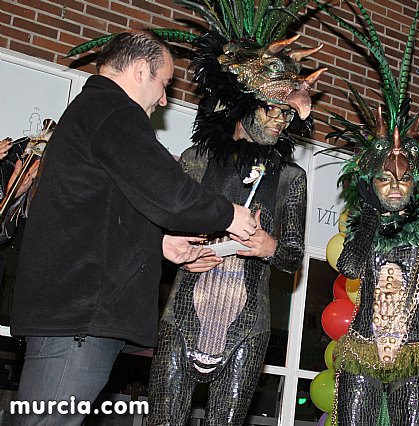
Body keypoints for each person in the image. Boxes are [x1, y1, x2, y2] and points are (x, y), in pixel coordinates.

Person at [10, 29, 257, 426]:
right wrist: (230, 214)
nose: (164, 99)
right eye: (164, 85)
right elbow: (169, 193)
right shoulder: (113, 110)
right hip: (79, 320)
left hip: (73, 317)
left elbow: (100, 213)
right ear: (141, 70)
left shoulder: (93, 112)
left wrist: (160, 245)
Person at [146, 1, 325, 424]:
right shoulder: (196, 160)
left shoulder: (291, 178)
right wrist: (179, 251)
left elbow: (293, 256)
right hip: (182, 318)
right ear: (245, 102)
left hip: (248, 328)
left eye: (287, 114)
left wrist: (267, 246)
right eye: (273, 109)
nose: (282, 122)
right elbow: (153, 233)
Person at [316, 2, 419, 424]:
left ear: (417, 184)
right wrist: (371, 213)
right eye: (383, 181)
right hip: (361, 349)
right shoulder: (367, 224)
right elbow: (352, 265)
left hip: (414, 356)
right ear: (371, 183)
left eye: (403, 180)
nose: (394, 187)